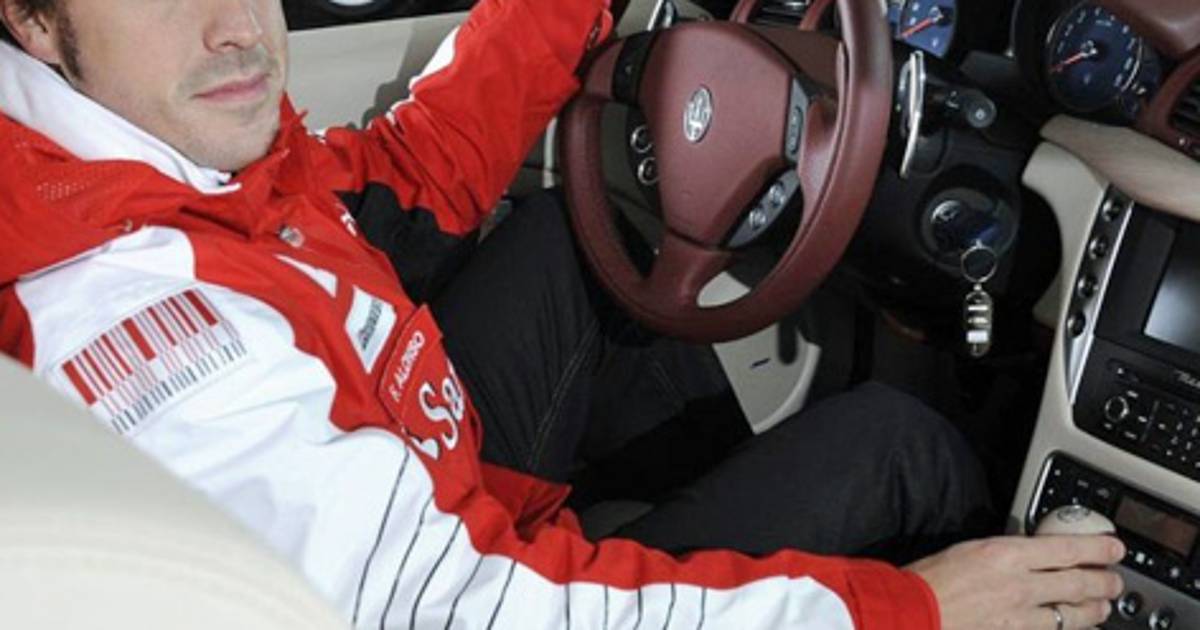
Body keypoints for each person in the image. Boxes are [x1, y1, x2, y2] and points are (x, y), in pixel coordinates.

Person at [0, 0, 1125, 628]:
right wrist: (911, 609)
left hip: (438, 484)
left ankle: (680, 533)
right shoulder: (132, 327)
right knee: (900, 446)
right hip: (478, 587)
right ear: (35, 20)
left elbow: (415, 174)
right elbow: (467, 610)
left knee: (563, 239)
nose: (236, 30)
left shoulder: (153, 159)